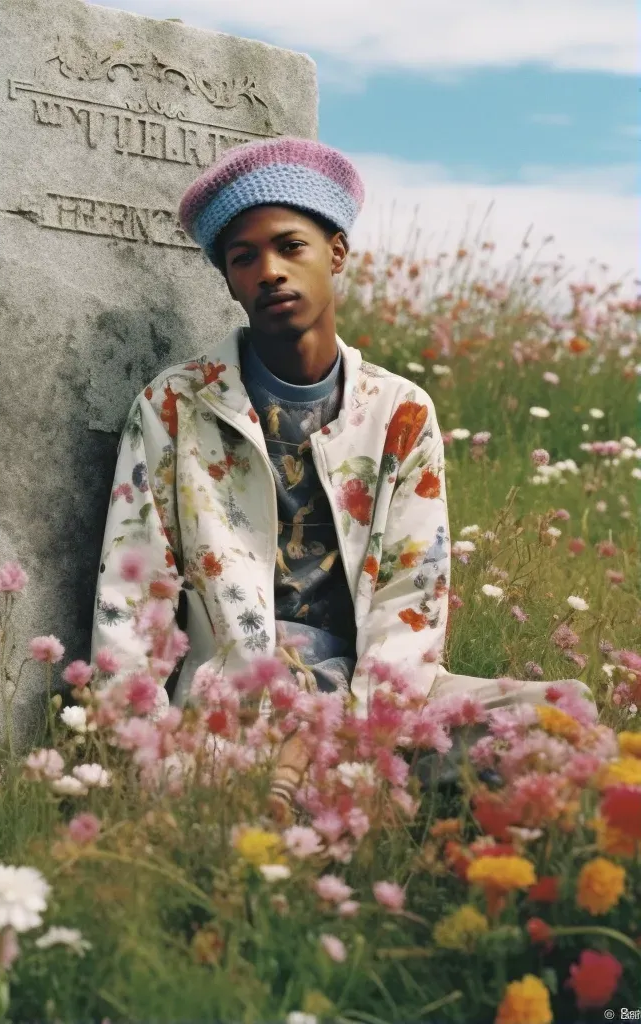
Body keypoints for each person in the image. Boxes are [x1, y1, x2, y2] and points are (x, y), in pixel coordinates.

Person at [90, 138, 591, 823]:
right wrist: (129, 750)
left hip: (381, 701)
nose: (269, 271)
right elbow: (133, 585)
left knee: (563, 719)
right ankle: (311, 808)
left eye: (290, 247)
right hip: (241, 701)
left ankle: (342, 795)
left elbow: (413, 597)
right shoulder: (175, 407)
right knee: (210, 788)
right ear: (229, 281)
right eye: (245, 258)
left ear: (336, 253)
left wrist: (362, 740)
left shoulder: (399, 412)